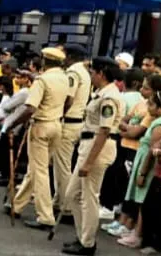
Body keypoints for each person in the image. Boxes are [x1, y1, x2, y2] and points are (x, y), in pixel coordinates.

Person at [62, 57, 125, 256]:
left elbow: (104, 130)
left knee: (89, 197)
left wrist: (89, 162)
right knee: (73, 194)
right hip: (89, 144)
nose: (91, 76)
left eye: (93, 72)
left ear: (101, 73)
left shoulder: (109, 97)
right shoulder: (101, 93)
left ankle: (87, 243)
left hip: (98, 148)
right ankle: (83, 236)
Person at [3, 47, 68, 231]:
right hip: (56, 125)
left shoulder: (42, 80)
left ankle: (45, 217)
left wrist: (12, 124)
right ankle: (17, 204)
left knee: (39, 172)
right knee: (36, 168)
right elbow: (69, 101)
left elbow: (30, 108)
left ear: (45, 61)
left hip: (41, 125)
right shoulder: (64, 78)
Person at [116, 89, 161, 249]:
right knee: (140, 200)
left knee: (144, 202)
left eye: (151, 104)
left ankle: (138, 234)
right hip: (143, 163)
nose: (148, 106)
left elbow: (153, 151)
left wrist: (143, 172)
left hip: (149, 168)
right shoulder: (158, 120)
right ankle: (135, 232)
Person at [58, 43, 92, 214]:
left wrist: (59, 114)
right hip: (77, 122)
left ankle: (66, 205)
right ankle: (59, 201)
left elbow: (68, 99)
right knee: (62, 164)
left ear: (70, 56)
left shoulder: (73, 72)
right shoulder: (84, 72)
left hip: (69, 121)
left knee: (62, 166)